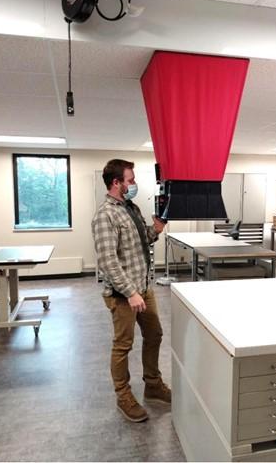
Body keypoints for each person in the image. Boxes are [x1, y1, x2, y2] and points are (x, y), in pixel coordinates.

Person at [92, 159, 171, 423]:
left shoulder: (131, 208)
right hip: (124, 295)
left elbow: (140, 241)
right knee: (123, 345)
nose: (134, 184)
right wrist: (130, 292)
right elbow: (108, 261)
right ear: (117, 183)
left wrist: (155, 231)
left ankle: (153, 385)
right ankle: (123, 396)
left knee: (155, 335)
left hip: (144, 288)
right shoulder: (106, 215)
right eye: (131, 180)